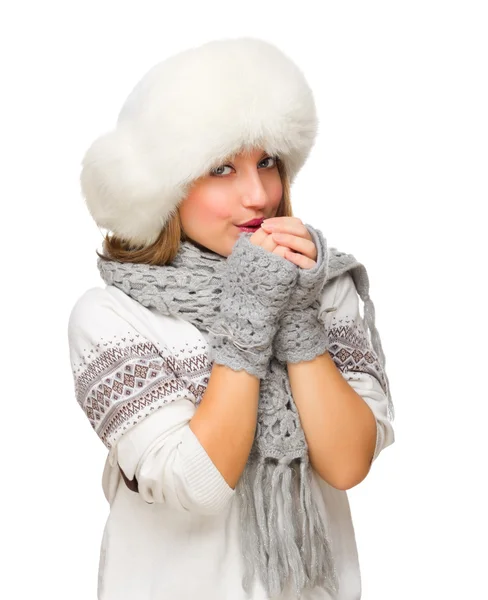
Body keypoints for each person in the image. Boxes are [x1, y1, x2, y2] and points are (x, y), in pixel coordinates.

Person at [68, 36, 395, 600]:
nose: (259, 195)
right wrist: (248, 312)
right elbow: (198, 484)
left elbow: (346, 464)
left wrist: (293, 308)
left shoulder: (321, 284)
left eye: (267, 162)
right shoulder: (110, 315)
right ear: (165, 191)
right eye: (222, 168)